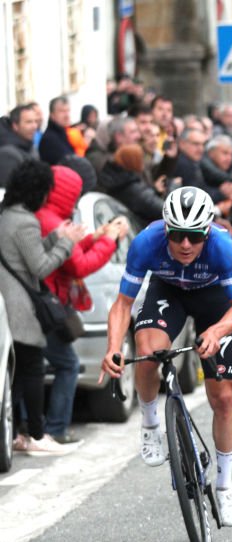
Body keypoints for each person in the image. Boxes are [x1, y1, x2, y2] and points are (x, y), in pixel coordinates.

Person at [100, 187, 232, 527]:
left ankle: (225, 486)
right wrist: (112, 347)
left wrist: (216, 331)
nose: (186, 245)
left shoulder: (221, 245)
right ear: (166, 230)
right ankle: (152, 421)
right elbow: (123, 304)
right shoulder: (146, 242)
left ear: (207, 231)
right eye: (178, 236)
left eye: (195, 237)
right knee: (147, 351)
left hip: (216, 300)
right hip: (168, 292)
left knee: (223, 397)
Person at [0, 159, 86, 455]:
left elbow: (24, 254)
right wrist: (67, 244)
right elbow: (39, 265)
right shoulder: (25, 220)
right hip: (20, 305)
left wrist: (55, 237)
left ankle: (18, 433)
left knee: (18, 374)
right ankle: (37, 435)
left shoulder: (8, 215)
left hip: (10, 301)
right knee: (31, 369)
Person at [36, 164, 127, 444]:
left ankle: (36, 427)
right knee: (67, 365)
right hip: (48, 304)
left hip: (44, 301)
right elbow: (78, 265)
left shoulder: (47, 215)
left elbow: (71, 251)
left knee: (36, 368)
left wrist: (95, 237)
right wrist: (109, 241)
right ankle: (55, 429)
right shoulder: (53, 220)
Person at [97, 144, 166, 223]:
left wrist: (154, 190)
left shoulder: (114, 179)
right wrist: (173, 189)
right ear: (134, 162)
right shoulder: (135, 190)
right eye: (141, 158)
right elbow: (167, 211)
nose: (143, 162)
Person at [0, 104, 42, 187]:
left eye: (35, 121)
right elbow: (9, 191)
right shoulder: (7, 154)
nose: (34, 126)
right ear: (15, 126)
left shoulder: (30, 146)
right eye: (29, 122)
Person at [38, 96, 75, 165]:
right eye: (62, 111)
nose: (67, 115)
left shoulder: (63, 134)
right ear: (52, 115)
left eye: (68, 111)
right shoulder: (49, 139)